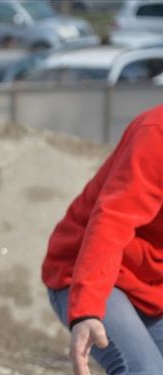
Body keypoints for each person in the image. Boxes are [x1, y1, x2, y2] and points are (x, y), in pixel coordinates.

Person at [42, 104, 163, 375]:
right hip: (90, 272)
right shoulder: (157, 133)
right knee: (146, 370)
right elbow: (112, 222)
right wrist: (86, 311)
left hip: (152, 285)